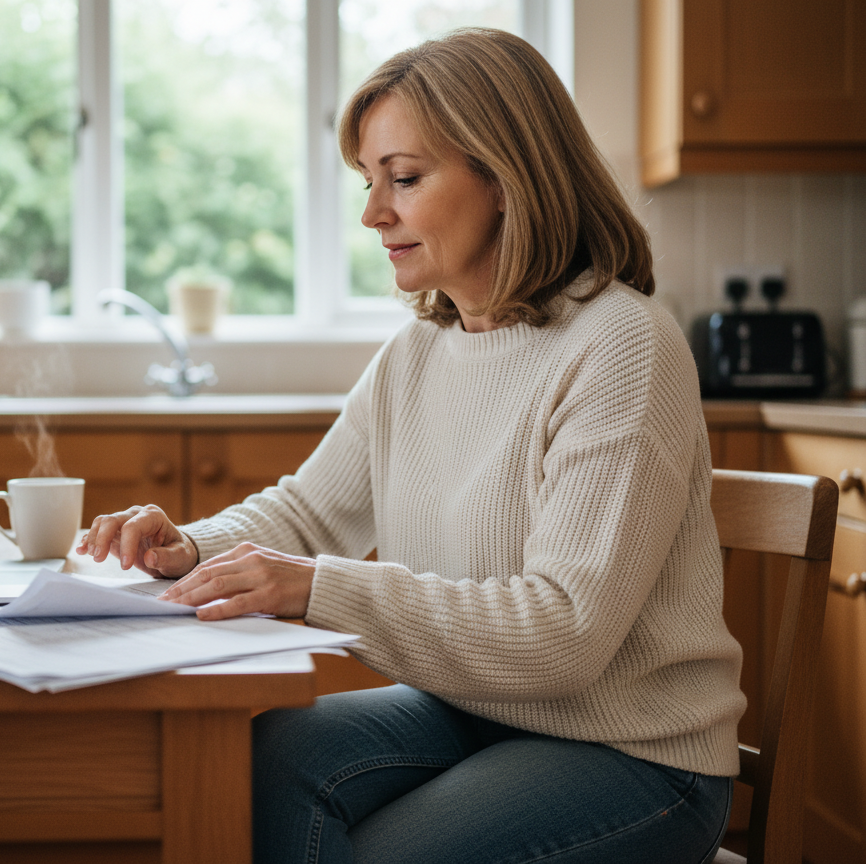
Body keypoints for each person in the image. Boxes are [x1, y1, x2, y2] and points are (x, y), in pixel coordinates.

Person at [77, 27, 745, 864]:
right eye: (369, 181)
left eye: (404, 178)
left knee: (382, 853)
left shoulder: (620, 345)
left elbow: (567, 632)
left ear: (506, 176)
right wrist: (190, 548)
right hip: (476, 710)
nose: (372, 213)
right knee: (262, 757)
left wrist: (317, 588)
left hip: (635, 753)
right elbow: (312, 511)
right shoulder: (418, 349)